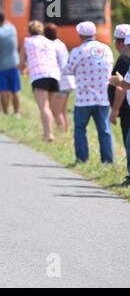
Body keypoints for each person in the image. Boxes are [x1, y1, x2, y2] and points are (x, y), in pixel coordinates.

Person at [65, 21, 114, 164]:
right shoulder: (106, 49)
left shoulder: (78, 51)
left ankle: (82, 158)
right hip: (103, 97)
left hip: (84, 98)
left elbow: (68, 70)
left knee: (80, 129)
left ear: (80, 35)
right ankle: (107, 160)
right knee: (104, 130)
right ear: (94, 33)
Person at [20, 21, 60, 141]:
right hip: (54, 75)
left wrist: (23, 69)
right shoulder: (49, 42)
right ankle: (48, 132)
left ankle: (48, 134)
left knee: (44, 107)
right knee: (49, 107)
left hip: (39, 75)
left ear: (29, 31)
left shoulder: (27, 42)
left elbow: (22, 62)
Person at [44, 23, 76, 133]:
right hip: (69, 81)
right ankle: (66, 133)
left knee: (55, 111)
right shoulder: (60, 44)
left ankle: (62, 133)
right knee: (63, 111)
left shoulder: (51, 46)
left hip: (61, 82)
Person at [0, 8, 20, 116]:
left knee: (4, 90)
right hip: (14, 63)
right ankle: (16, 113)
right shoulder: (12, 29)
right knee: (15, 90)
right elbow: (7, 23)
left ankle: (5, 112)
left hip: (1, 65)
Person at [108, 27, 130, 185]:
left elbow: (124, 86)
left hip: (127, 111)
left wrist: (115, 110)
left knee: (129, 143)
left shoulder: (123, 60)